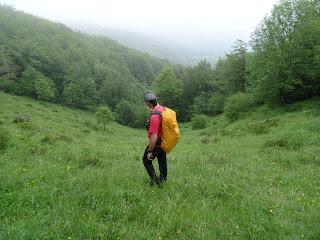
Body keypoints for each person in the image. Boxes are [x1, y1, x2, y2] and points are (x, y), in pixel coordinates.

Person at [143, 93, 167, 186]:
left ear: (149, 102)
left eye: (146, 102)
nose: (145, 104)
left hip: (156, 142)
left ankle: (156, 181)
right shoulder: (162, 109)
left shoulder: (154, 116)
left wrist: (150, 151)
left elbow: (154, 136)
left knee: (146, 160)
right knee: (162, 161)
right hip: (164, 141)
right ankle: (163, 179)